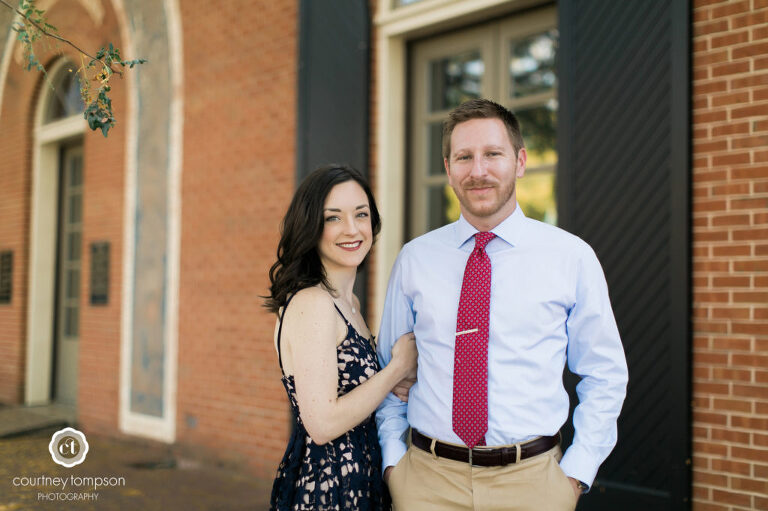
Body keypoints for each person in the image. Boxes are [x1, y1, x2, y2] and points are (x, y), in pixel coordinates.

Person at [376, 99, 628, 510]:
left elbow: (604, 374)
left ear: (520, 162)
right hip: (425, 482)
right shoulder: (414, 259)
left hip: (534, 484)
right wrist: (393, 464)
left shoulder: (571, 257)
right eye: (464, 157)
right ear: (448, 168)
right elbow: (389, 370)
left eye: (493, 154)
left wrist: (575, 474)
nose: (478, 171)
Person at [266, 164, 417, 510]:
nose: (352, 228)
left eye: (360, 214)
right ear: (310, 227)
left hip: (359, 480)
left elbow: (360, 394)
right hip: (328, 488)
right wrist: (396, 369)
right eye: (333, 217)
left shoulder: (349, 304)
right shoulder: (313, 303)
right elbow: (322, 423)